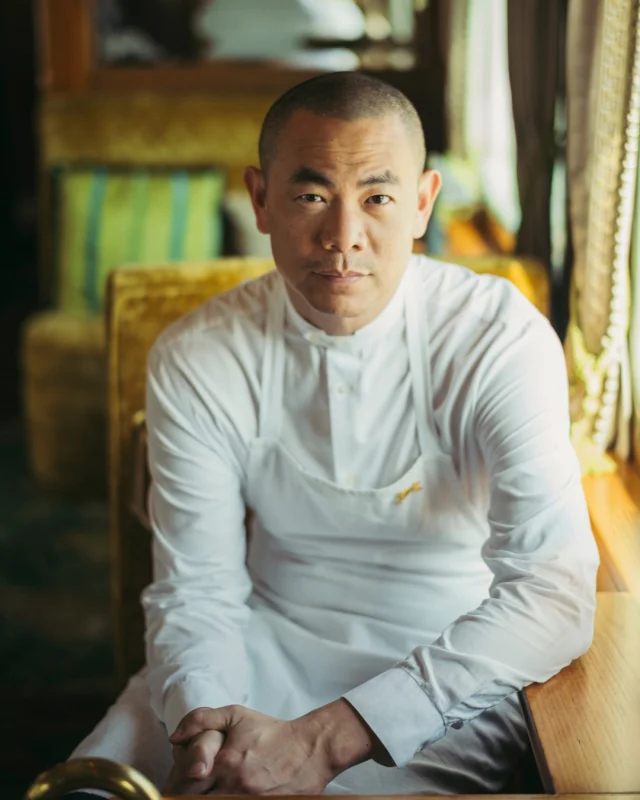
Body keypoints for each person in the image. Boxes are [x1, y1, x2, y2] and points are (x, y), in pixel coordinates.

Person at [69, 73, 599, 796]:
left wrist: (323, 741)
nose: (343, 237)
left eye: (377, 198)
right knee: (93, 784)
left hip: (450, 668)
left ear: (422, 202)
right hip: (260, 641)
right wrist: (205, 725)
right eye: (312, 196)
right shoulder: (199, 353)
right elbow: (196, 588)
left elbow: (552, 590)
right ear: (261, 199)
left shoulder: (496, 338)